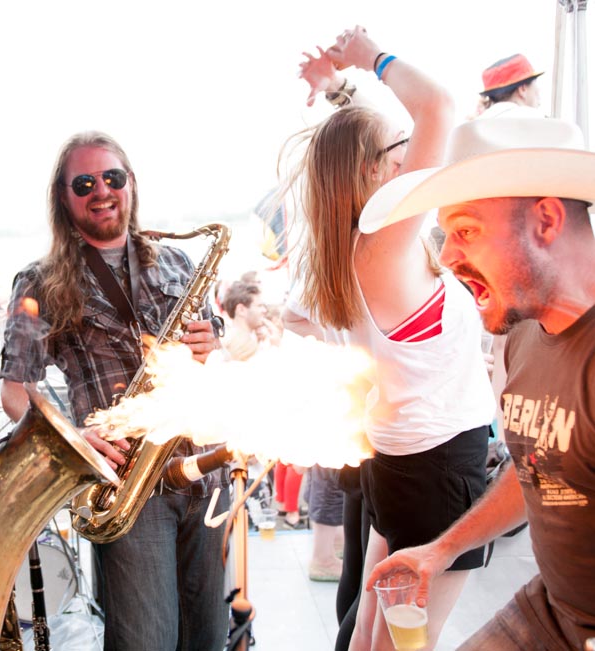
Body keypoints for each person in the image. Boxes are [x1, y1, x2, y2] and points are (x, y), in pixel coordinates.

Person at [279, 26, 496, 650]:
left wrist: (337, 87)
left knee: (373, 635)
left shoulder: (347, 250)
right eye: (396, 150)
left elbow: (364, 141)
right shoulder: (387, 244)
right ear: (374, 172)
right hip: (436, 468)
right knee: (406, 643)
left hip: (400, 461)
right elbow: (438, 108)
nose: (410, 151)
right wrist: (369, 55)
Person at [362, 116, 595, 650]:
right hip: (549, 610)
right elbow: (538, 463)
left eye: (465, 230)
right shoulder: (524, 334)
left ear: (546, 221)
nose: (445, 256)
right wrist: (440, 550)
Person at [0, 131, 229, 651]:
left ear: (130, 185)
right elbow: (15, 391)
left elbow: (212, 355)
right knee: (146, 641)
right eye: (84, 183)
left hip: (201, 471)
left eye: (112, 177)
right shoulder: (36, 283)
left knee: (208, 639)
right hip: (129, 485)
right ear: (63, 197)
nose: (101, 190)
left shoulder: (176, 262)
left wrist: (212, 344)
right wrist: (74, 441)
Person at [476, 53, 545, 119]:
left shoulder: (473, 126)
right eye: (535, 83)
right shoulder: (540, 121)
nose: (538, 90)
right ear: (522, 89)